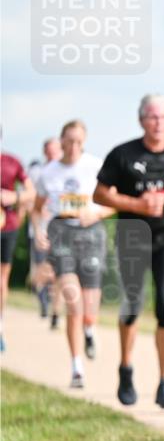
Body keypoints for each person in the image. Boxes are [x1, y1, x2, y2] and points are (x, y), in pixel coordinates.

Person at [94, 94, 164, 409]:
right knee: (133, 303)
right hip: (132, 235)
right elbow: (100, 194)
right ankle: (126, 368)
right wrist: (138, 205)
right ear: (141, 120)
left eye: (163, 117)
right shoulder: (122, 154)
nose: (158, 123)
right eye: (152, 117)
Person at [32, 120, 114, 387]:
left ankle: (90, 329)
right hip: (61, 232)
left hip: (90, 233)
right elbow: (37, 207)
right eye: (69, 141)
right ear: (61, 141)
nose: (74, 146)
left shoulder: (96, 166)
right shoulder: (49, 172)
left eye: (79, 141)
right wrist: (39, 229)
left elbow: (114, 201)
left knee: (89, 308)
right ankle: (76, 367)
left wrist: (98, 212)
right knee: (72, 302)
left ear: (84, 142)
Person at [1, 141, 37, 352]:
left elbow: (30, 192)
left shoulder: (12, 162)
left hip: (7, 226)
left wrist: (13, 196)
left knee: (2, 279)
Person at [28, 138, 63, 327]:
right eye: (48, 151)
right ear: (44, 152)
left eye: (55, 151)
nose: (52, 154)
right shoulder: (36, 172)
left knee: (59, 272)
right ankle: (39, 292)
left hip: (60, 230)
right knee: (41, 270)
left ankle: (56, 313)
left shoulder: (65, 171)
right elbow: (28, 199)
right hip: (39, 229)